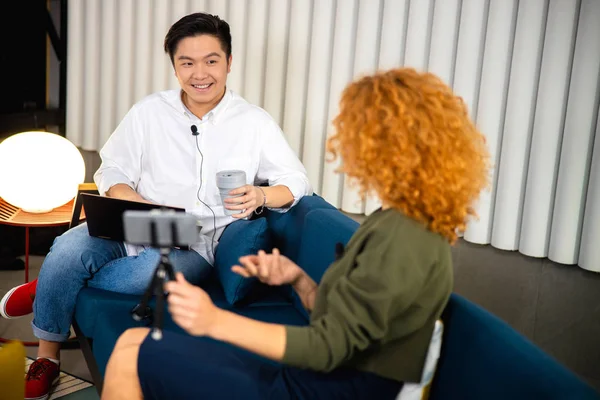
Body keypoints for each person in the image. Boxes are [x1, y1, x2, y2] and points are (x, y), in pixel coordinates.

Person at [100, 67, 491, 399]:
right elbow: (352, 326)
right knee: (133, 343)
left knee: (131, 355)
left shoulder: (405, 238)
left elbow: (328, 348)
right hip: (323, 375)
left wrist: (213, 321)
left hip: (323, 388)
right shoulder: (399, 220)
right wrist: (299, 280)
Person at [0, 12, 311, 400]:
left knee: (145, 272)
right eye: (187, 62)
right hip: (133, 222)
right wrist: (129, 197)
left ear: (229, 62)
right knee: (67, 249)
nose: (200, 73)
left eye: (211, 61)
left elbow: (296, 182)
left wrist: (263, 195)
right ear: (175, 66)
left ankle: (49, 286)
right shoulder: (149, 111)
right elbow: (112, 167)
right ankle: (48, 356)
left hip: (196, 242)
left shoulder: (255, 123)